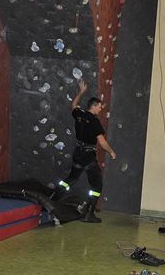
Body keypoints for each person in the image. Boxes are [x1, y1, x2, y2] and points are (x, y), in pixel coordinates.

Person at [54, 80, 116, 223]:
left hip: (78, 153)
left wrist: (81, 92)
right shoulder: (94, 122)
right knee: (96, 185)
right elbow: (102, 142)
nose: (101, 109)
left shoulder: (80, 115)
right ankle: (89, 213)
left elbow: (73, 106)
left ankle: (53, 200)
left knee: (71, 179)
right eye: (100, 107)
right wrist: (111, 152)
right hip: (88, 156)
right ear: (93, 107)